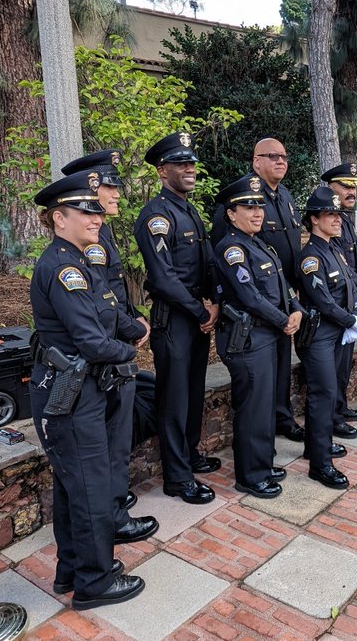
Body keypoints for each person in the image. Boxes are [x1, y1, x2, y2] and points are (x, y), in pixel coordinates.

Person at [28, 173, 146, 610]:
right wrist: (129, 350)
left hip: (83, 387)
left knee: (74, 486)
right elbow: (92, 341)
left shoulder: (78, 260)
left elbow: (108, 315)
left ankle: (71, 570)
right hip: (71, 393)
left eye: (96, 210)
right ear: (59, 219)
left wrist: (123, 336)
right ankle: (95, 582)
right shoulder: (62, 268)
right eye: (86, 212)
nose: (96, 218)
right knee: (91, 487)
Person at [56, 150, 158, 542]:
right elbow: (101, 303)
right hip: (106, 354)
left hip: (113, 346)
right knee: (110, 443)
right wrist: (131, 331)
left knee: (116, 437)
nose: (118, 194)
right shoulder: (88, 245)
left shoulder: (102, 235)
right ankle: (113, 515)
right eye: (110, 186)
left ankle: (113, 505)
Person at [134, 132, 218, 505]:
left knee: (194, 393)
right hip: (176, 320)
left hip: (198, 318)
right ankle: (176, 477)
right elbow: (164, 277)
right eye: (180, 164)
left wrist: (214, 302)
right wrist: (201, 310)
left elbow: (209, 264)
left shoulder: (188, 210)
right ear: (161, 170)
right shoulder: (157, 215)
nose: (189, 169)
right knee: (174, 398)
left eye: (191, 163)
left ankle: (190, 454)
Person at [213, 174, 305, 498]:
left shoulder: (261, 245)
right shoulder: (231, 249)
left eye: (259, 206)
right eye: (247, 207)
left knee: (265, 406)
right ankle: (250, 476)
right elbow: (250, 296)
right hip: (248, 341)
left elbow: (283, 287)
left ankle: (263, 463)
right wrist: (284, 320)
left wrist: (295, 308)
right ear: (230, 213)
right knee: (252, 409)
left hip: (268, 337)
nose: (256, 212)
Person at [296, 184, 357, 488]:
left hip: (336, 333)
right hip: (319, 336)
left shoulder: (334, 248)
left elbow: (351, 282)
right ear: (314, 219)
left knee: (327, 392)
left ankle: (315, 447)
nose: (337, 219)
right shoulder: (311, 256)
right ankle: (320, 465)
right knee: (323, 395)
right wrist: (352, 320)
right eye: (329, 214)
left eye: (338, 214)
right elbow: (323, 301)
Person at [323, 162, 357, 434]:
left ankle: (339, 408)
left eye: (354, 186)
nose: (352, 191)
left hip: (351, 300)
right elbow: (340, 264)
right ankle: (332, 417)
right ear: (330, 188)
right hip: (336, 303)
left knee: (343, 363)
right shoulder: (329, 222)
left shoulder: (345, 220)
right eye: (345, 186)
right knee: (332, 366)